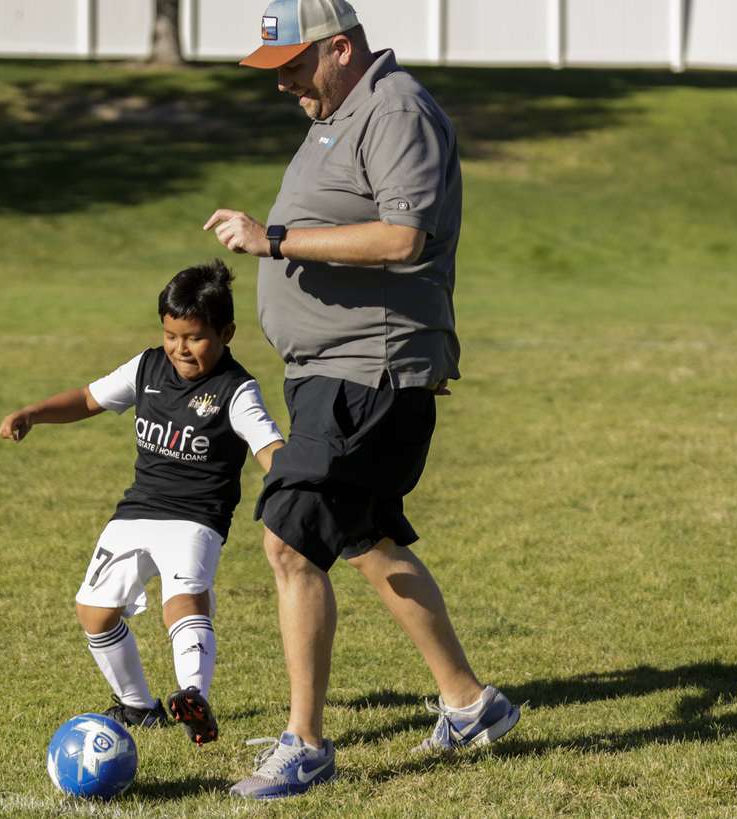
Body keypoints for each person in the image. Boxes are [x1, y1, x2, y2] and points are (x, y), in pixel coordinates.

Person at [204, 0, 519, 798]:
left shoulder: (397, 108)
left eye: (294, 67)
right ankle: (469, 703)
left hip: (368, 371)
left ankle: (304, 743)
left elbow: (403, 237)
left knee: (289, 538)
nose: (285, 87)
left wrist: (272, 239)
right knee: (362, 537)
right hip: (333, 371)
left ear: (338, 48)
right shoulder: (340, 111)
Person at [0, 260, 284, 746]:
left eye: (193, 337)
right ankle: (138, 707)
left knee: (183, 599)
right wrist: (34, 413)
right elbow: (89, 399)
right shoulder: (149, 365)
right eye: (171, 335)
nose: (180, 348)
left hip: (197, 519)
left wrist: (292, 486)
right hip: (137, 510)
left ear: (227, 332)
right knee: (93, 611)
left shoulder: (236, 389)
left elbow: (269, 447)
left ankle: (193, 695)